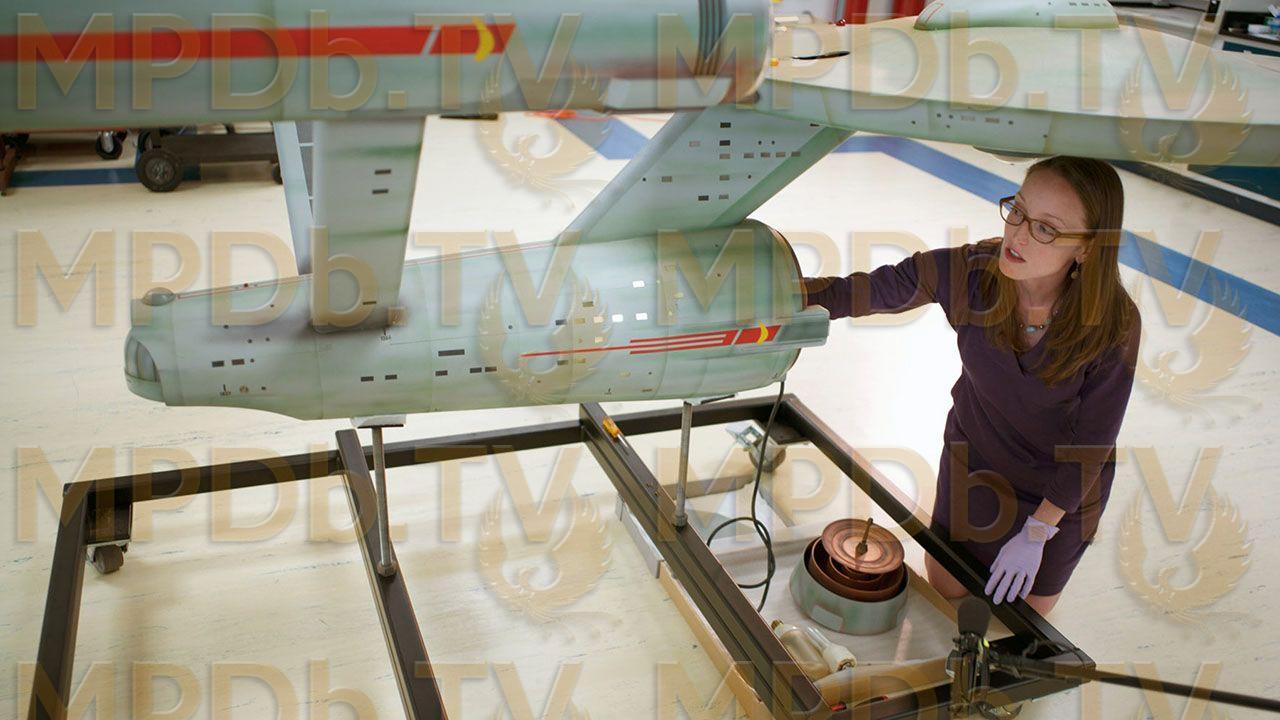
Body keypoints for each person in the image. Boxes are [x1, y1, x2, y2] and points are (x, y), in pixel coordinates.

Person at [801, 156, 1141, 616]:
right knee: (947, 590)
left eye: (1046, 229)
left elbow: (1092, 445)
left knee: (1026, 616)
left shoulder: (1113, 324)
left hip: (1058, 488)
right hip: (975, 460)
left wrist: (1039, 531)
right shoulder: (972, 273)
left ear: (1086, 248)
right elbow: (864, 290)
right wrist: (780, 295)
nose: (1018, 235)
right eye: (1018, 210)